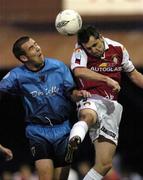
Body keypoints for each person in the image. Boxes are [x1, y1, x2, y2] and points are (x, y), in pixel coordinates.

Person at [0, 36, 90, 180]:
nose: (37, 48)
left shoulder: (59, 67)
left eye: (36, 44)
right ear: (23, 58)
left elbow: (71, 93)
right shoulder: (16, 76)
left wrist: (78, 94)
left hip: (63, 129)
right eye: (31, 48)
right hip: (37, 131)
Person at [66, 25, 143, 180]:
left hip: (111, 106)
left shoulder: (118, 48)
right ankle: (75, 139)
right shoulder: (79, 49)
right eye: (89, 48)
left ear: (101, 37)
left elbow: (134, 75)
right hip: (90, 98)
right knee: (88, 116)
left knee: (105, 164)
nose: (93, 50)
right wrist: (106, 79)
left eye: (95, 45)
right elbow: (79, 71)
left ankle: (77, 137)